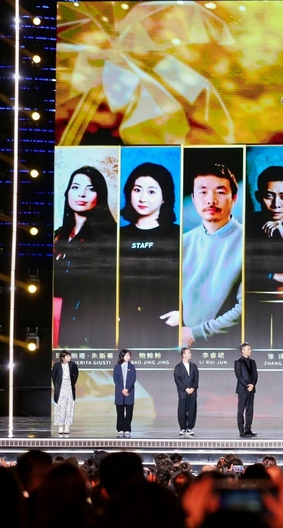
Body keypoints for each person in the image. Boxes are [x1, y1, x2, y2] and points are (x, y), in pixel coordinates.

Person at [169, 163, 243, 346]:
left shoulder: (248, 242)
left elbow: (245, 308)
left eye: (220, 192)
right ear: (193, 199)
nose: (211, 200)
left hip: (229, 347)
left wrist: (196, 333)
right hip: (182, 346)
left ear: (234, 198)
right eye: (203, 192)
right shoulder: (183, 242)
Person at [54, 165, 117, 348]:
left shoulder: (109, 238)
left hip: (83, 325)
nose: (81, 194)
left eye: (90, 189)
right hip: (55, 319)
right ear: (67, 193)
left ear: (100, 196)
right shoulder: (58, 236)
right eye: (75, 187)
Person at [119, 161, 180, 349]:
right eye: (137, 190)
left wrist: (184, 313)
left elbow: (198, 282)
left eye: (152, 191)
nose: (142, 198)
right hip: (125, 326)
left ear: (164, 197)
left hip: (167, 325)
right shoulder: (118, 236)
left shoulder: (178, 236)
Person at [51, 350, 78, 435]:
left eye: (69, 356)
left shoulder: (72, 365)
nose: (69, 358)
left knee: (69, 407)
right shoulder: (57, 366)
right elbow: (54, 377)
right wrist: (57, 385)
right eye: (67, 356)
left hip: (69, 387)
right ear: (62, 358)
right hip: (61, 388)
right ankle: (60, 426)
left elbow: (76, 374)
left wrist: (72, 383)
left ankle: (67, 426)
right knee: (60, 407)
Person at [173, 346, 199, 436]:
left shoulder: (194, 366)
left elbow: (196, 379)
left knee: (192, 410)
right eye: (188, 353)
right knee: (182, 410)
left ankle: (190, 427)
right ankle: (183, 428)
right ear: (183, 355)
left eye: (190, 353)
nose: (190, 354)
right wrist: (185, 388)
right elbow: (177, 380)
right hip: (183, 393)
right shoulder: (178, 367)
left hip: (193, 392)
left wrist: (192, 388)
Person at [235, 342, 258, 437]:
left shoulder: (253, 362)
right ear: (243, 351)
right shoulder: (238, 362)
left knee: (250, 409)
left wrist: (252, 384)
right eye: (248, 349)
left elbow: (255, 375)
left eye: (250, 349)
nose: (250, 351)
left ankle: (248, 429)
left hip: (251, 389)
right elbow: (238, 376)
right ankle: (241, 430)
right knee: (241, 410)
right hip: (242, 389)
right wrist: (247, 385)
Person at [113, 348, 136, 437]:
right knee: (120, 412)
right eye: (127, 355)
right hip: (119, 392)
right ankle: (120, 429)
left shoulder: (132, 367)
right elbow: (116, 380)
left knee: (129, 412)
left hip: (129, 392)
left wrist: (127, 389)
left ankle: (127, 429)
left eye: (129, 355)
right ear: (122, 356)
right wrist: (122, 389)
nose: (129, 357)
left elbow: (133, 379)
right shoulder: (117, 367)